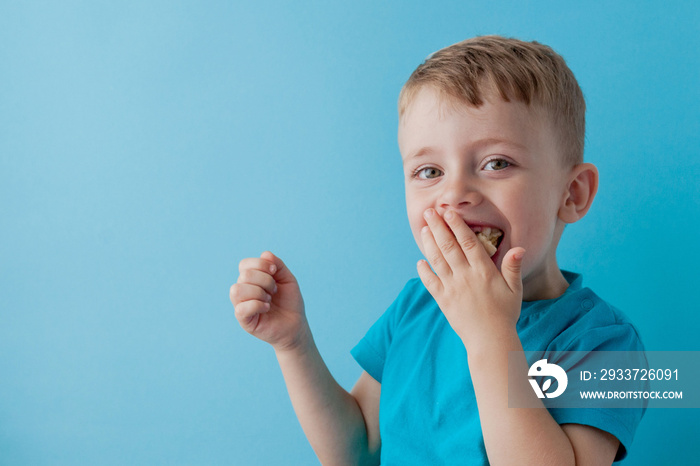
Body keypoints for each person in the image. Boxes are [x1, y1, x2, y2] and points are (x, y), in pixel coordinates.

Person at [230, 35, 645, 465]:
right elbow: (356, 452)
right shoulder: (415, 307)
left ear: (571, 194)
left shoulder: (604, 343)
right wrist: (294, 345)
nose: (455, 193)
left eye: (496, 163)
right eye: (429, 171)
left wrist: (489, 334)